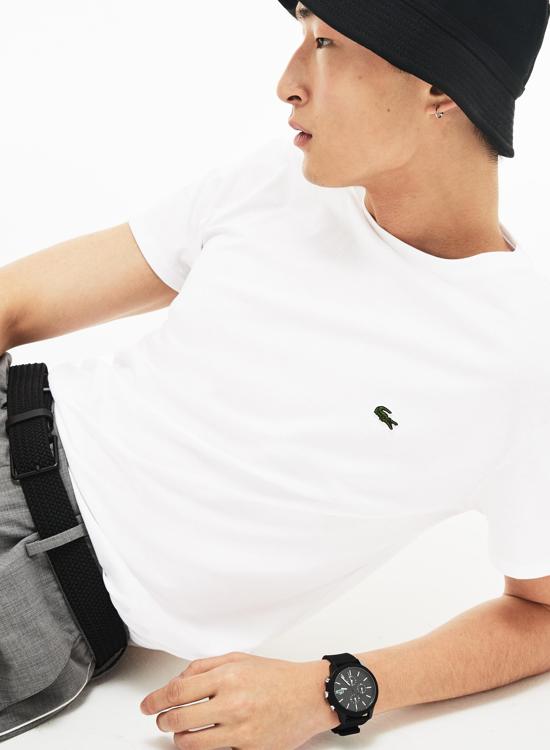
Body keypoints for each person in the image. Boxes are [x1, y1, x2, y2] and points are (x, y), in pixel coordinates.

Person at [2, 0, 550, 746]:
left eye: (325, 43)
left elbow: (541, 612)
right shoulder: (281, 180)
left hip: (45, 584)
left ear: (441, 89)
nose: (287, 82)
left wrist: (334, 689)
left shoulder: (519, 357)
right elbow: (18, 303)